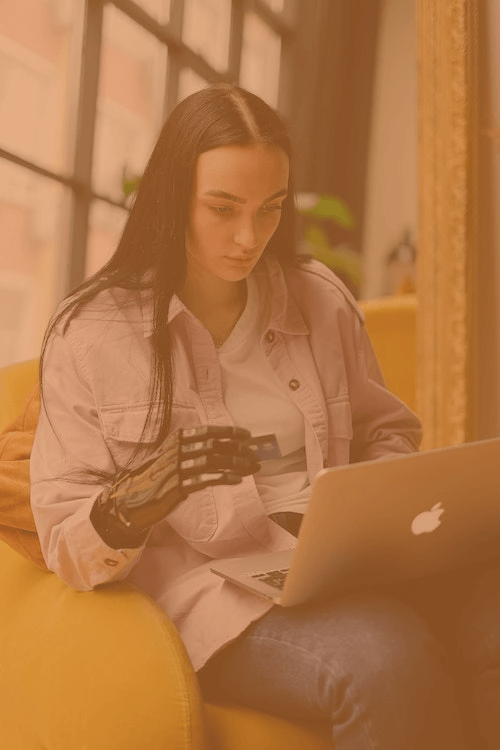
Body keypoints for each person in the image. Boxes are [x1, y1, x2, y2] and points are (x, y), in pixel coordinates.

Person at [29, 83, 499, 749]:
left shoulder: (319, 300)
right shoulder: (92, 333)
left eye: (270, 209)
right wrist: (133, 503)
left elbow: (385, 431)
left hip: (341, 564)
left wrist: (371, 518)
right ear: (171, 196)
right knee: (383, 662)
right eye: (222, 209)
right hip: (218, 600)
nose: (249, 237)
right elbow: (65, 543)